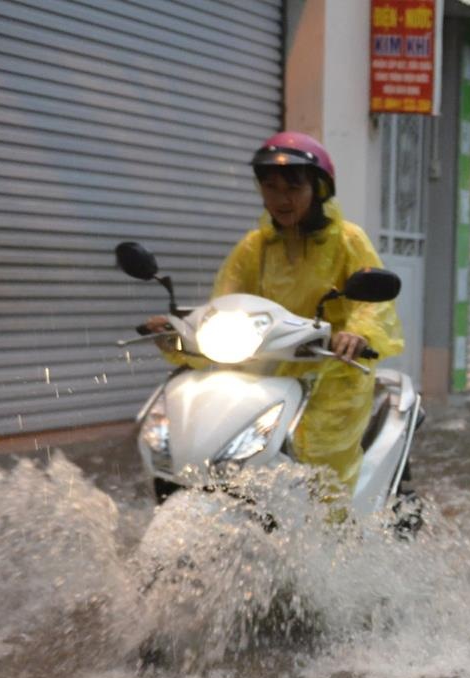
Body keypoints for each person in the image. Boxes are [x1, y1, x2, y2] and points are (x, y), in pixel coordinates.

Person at [146, 132, 402, 496]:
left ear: (318, 189)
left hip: (332, 369)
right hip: (263, 367)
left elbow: (373, 305)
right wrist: (180, 332)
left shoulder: (348, 240)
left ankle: (332, 524)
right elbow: (223, 304)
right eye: (271, 187)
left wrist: (357, 333)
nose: (281, 199)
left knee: (318, 457)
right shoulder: (253, 247)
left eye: (293, 188)